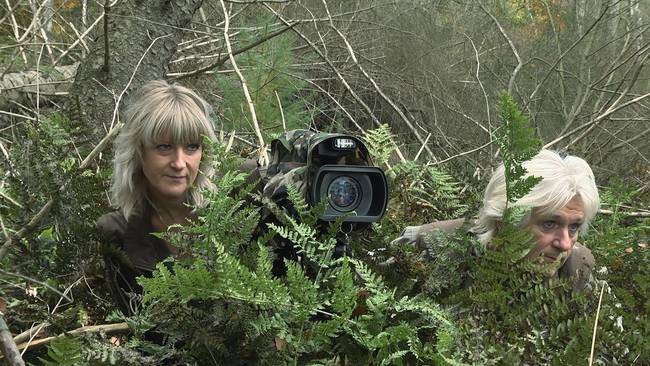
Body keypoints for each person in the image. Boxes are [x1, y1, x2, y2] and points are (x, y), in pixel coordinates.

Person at [393, 149, 600, 291]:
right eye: (549, 224)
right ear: (504, 222)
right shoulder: (430, 244)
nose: (565, 243)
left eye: (573, 227)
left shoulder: (579, 270)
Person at [96, 80, 217, 315]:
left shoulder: (238, 205)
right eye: (164, 147)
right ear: (138, 151)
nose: (179, 163)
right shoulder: (116, 232)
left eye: (192, 147)